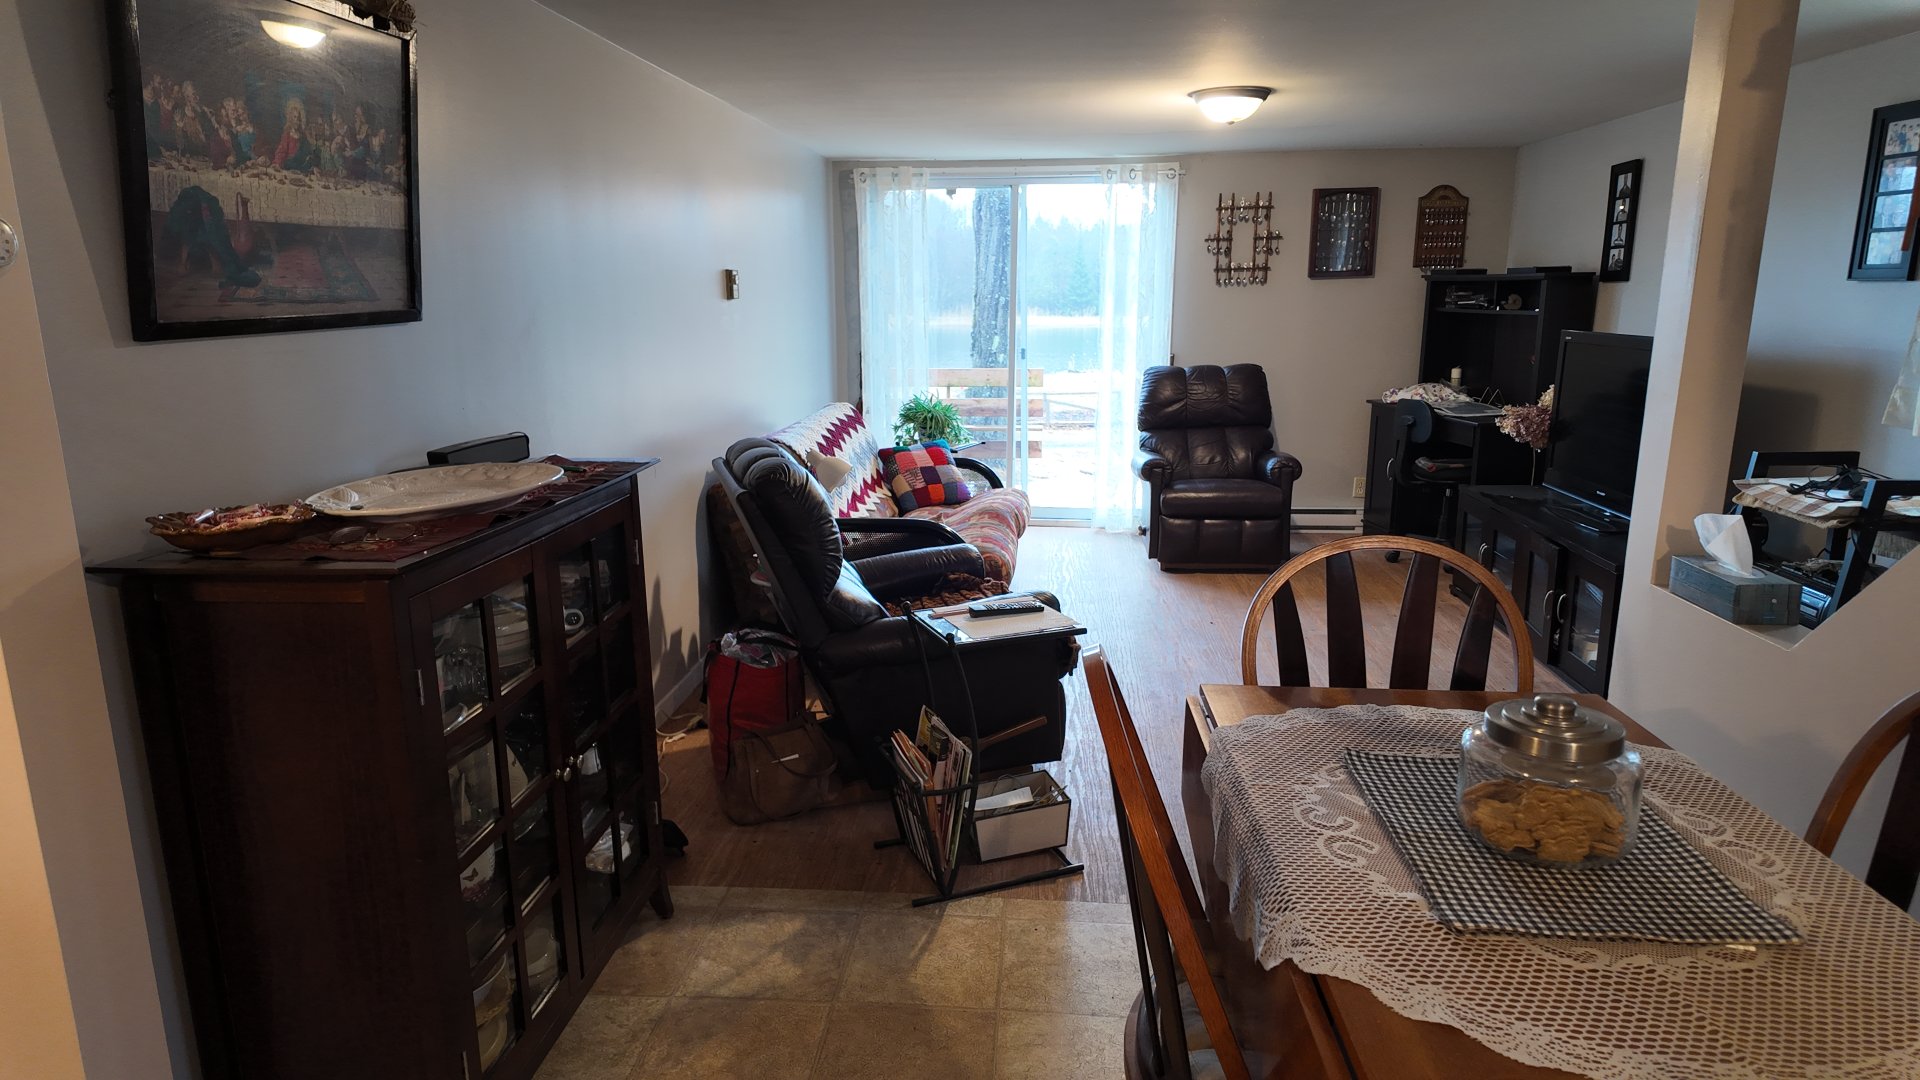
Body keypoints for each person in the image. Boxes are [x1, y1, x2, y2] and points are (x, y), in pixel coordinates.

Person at [272, 97, 309, 170]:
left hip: (300, 167)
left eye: (298, 118)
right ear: (290, 118)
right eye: (295, 117)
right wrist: (278, 163)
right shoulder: (287, 135)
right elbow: (281, 151)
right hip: (289, 166)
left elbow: (307, 152)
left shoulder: (303, 136)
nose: (297, 120)